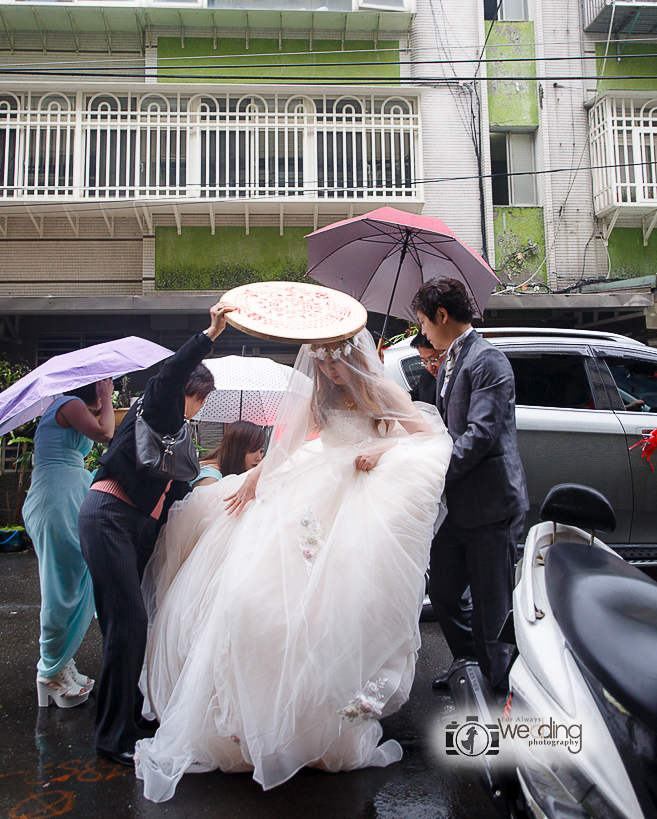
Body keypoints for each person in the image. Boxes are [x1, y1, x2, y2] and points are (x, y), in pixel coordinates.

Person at [135, 328, 452, 801]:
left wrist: (379, 449)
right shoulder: (318, 394)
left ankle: (324, 728)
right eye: (320, 362)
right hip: (312, 497)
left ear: (352, 355)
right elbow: (286, 445)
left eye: (334, 361)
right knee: (259, 602)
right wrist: (253, 480)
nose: (327, 371)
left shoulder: (381, 389)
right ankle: (257, 723)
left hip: (356, 505)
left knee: (336, 613)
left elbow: (428, 436)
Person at [78, 302, 234, 767]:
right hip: (108, 515)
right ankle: (113, 738)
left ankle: (124, 717)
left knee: (125, 627)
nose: (200, 409)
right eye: (200, 399)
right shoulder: (162, 402)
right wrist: (209, 334)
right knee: (128, 624)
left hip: (127, 523)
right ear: (190, 392)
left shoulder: (172, 427)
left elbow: (179, 484)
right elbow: (169, 375)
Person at [412, 277, 529, 693]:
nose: (423, 331)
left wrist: (430, 474)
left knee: (491, 606)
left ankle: (500, 690)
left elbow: (480, 435)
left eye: (424, 322)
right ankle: (469, 662)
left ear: (442, 316)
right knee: (443, 592)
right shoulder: (449, 361)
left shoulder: (488, 360)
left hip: (489, 505)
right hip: (456, 506)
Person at [23, 379, 115, 708]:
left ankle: (61, 661)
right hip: (56, 501)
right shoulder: (68, 405)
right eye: (105, 384)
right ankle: (49, 671)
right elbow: (106, 434)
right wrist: (106, 398)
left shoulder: (69, 408)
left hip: (66, 497)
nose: (110, 389)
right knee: (61, 587)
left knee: (76, 579)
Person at [191, 421, 265, 488]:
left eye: (261, 451)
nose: (258, 458)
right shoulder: (210, 474)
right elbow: (206, 496)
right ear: (236, 450)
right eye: (252, 451)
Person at [409, 332, 445, 405]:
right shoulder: (427, 378)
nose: (430, 368)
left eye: (434, 360)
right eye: (424, 362)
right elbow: (411, 397)